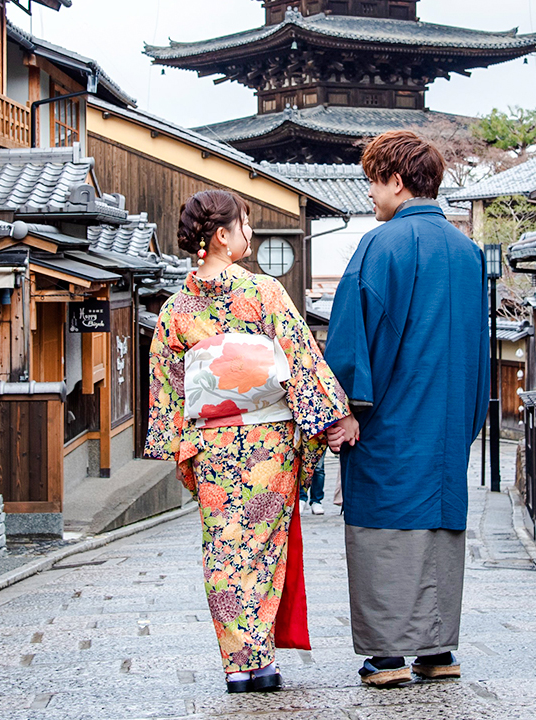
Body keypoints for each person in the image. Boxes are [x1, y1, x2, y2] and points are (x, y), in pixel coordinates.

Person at [144, 190, 351, 694]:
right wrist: (332, 417)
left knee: (222, 550)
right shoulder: (264, 293)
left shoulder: (175, 310)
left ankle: (238, 664)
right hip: (267, 443)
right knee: (260, 544)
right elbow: (300, 359)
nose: (250, 235)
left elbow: (167, 385)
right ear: (222, 236)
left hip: (213, 445)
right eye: (245, 225)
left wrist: (177, 446)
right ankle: (261, 662)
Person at [324, 131, 489, 688]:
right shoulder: (469, 253)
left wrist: (344, 409)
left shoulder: (382, 245)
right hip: (444, 423)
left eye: (374, 181)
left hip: (389, 420)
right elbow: (477, 348)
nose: (371, 195)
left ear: (396, 181)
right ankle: (438, 650)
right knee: (439, 527)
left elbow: (353, 337)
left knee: (384, 527)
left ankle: (388, 656)